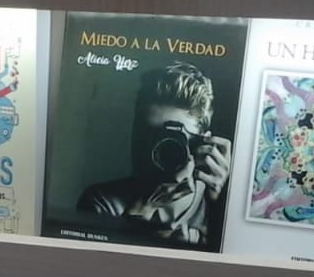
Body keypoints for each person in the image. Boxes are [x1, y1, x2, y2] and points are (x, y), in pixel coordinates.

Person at [78, 61, 231, 248]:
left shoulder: (215, 202)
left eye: (174, 140)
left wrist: (219, 205)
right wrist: (141, 209)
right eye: (148, 135)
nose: (158, 147)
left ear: (203, 143)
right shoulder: (102, 203)